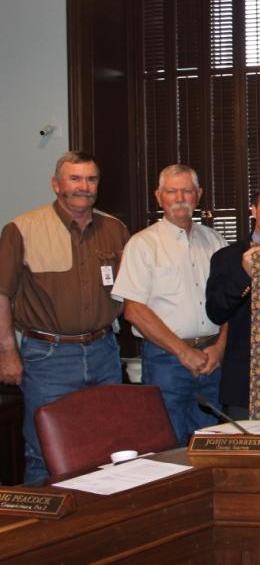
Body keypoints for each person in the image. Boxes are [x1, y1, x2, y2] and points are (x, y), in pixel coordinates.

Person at [0, 151, 129, 483]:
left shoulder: (115, 230)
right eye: (75, 178)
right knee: (45, 450)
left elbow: (132, 291)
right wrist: (7, 353)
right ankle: (44, 533)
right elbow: (2, 294)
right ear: (56, 184)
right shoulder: (22, 229)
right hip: (48, 358)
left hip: (104, 353)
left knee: (106, 447)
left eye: (91, 179)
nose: (83, 187)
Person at [112, 164, 228, 444]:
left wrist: (220, 349)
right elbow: (134, 311)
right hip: (167, 361)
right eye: (171, 191)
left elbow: (231, 302)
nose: (180, 198)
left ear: (198, 194)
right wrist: (183, 352)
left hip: (212, 360)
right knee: (168, 445)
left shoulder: (215, 241)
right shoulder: (143, 245)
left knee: (212, 445)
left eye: (187, 190)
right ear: (158, 197)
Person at [205, 182, 260, 419]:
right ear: (253, 210)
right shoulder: (227, 257)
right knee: (249, 453)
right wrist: (245, 275)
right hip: (246, 381)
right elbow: (216, 312)